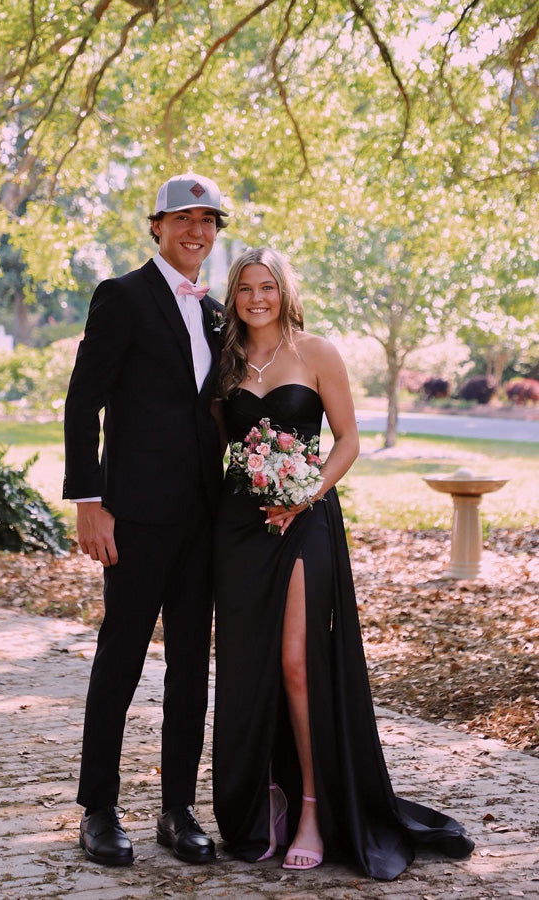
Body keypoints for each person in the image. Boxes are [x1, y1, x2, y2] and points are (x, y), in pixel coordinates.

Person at [212, 247, 474, 879]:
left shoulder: (317, 351)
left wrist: (307, 493)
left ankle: (311, 805)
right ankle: (263, 800)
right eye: (245, 287)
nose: (256, 298)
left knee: (298, 663)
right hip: (241, 527)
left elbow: (348, 438)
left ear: (283, 290)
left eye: (267, 286)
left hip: (307, 521)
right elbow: (209, 440)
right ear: (233, 295)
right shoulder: (222, 362)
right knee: (251, 668)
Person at [63, 173, 228, 867]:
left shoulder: (219, 312)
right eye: (181, 218)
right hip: (133, 517)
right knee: (121, 660)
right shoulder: (122, 297)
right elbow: (82, 402)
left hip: (204, 520)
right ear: (155, 225)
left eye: (207, 220)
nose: (195, 231)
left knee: (192, 664)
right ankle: (98, 809)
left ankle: (178, 808)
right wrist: (89, 502)